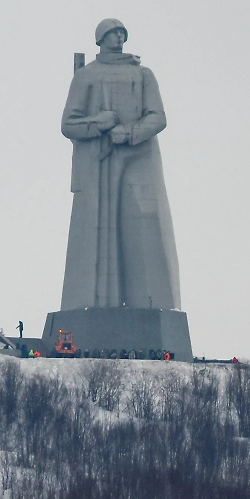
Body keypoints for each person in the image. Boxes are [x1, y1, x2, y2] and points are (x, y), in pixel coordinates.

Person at [59, 19, 181, 311]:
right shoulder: (86, 76)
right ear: (100, 39)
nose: (119, 38)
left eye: (122, 34)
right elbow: (68, 125)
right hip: (97, 164)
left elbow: (158, 116)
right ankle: (91, 304)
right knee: (95, 233)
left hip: (139, 157)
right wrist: (96, 124)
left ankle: (151, 306)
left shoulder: (143, 75)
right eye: (113, 33)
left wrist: (129, 133)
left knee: (145, 229)